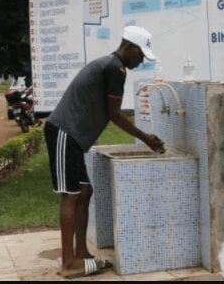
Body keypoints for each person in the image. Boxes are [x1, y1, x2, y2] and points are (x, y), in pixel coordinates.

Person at [44, 26, 165, 279]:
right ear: (129, 48)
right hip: (65, 132)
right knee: (71, 195)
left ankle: (81, 253)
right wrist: (146, 138)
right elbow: (114, 114)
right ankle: (68, 263)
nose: (141, 61)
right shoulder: (115, 69)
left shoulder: (110, 64)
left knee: (85, 190)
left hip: (73, 137)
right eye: (141, 55)